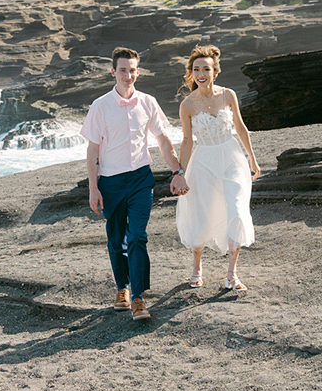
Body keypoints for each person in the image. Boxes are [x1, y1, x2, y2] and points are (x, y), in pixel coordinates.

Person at [81, 47, 189, 321]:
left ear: (138, 72)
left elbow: (163, 141)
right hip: (111, 182)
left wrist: (177, 170)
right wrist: (93, 188)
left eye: (132, 70)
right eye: (123, 70)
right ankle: (122, 289)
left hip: (141, 178)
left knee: (138, 236)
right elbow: (93, 151)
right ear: (113, 72)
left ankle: (139, 298)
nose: (128, 75)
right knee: (116, 239)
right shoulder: (100, 106)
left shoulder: (148, 102)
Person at [175, 44, 260, 293]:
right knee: (202, 213)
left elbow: (241, 128)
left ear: (215, 71)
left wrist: (252, 158)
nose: (201, 73)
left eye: (206, 69)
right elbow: (188, 140)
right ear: (191, 73)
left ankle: (232, 274)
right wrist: (180, 173)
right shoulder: (187, 105)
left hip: (232, 158)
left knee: (236, 209)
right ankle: (197, 266)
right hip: (203, 161)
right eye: (196, 69)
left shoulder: (227, 95)